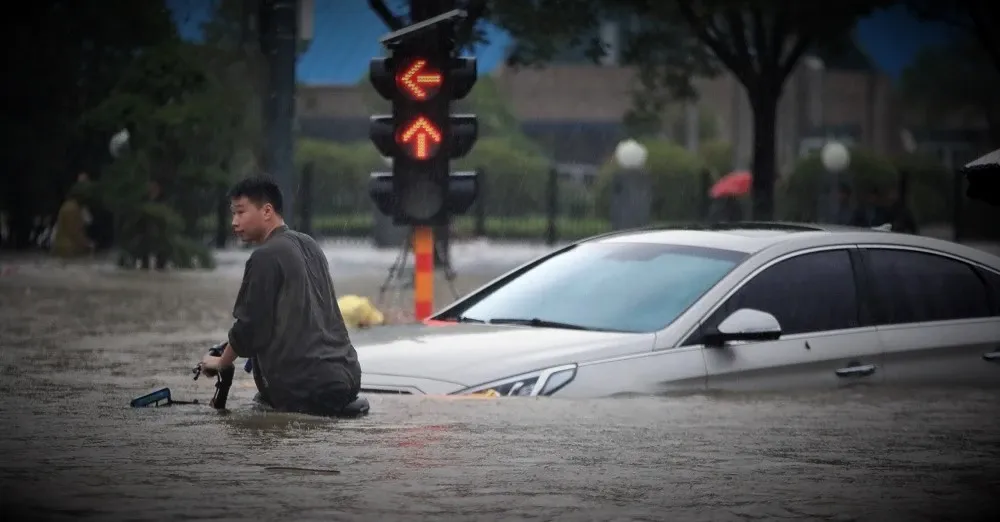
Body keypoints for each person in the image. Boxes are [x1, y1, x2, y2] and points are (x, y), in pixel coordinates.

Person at [199, 175, 363, 416]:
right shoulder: (310, 244)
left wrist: (220, 362)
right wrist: (229, 346)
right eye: (233, 214)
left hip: (303, 388)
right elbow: (300, 316)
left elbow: (249, 328)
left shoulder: (265, 256)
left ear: (267, 211)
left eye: (241, 212)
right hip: (347, 377)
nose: (234, 222)